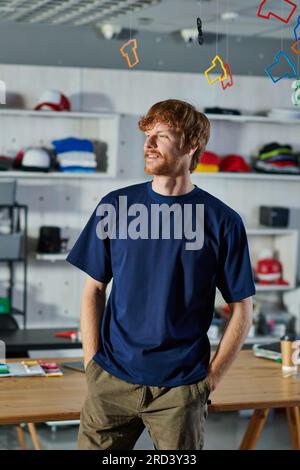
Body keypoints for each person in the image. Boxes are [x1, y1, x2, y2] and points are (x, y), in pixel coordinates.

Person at [66, 99, 256, 450]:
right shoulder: (115, 206)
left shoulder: (223, 221)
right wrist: (92, 363)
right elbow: (94, 288)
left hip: (180, 390)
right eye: (146, 135)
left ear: (191, 144)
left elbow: (243, 307)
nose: (148, 144)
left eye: (161, 135)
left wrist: (210, 379)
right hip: (111, 380)